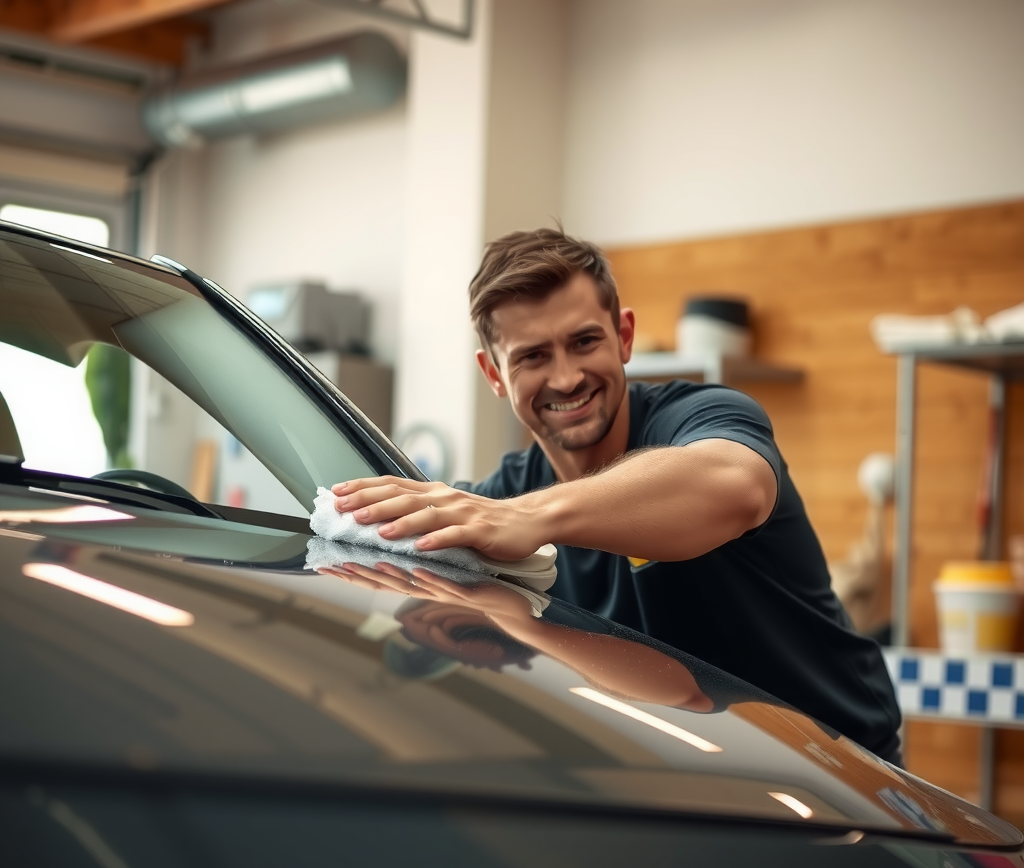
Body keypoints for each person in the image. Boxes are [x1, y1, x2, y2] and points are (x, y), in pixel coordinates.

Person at [331, 228, 901, 761]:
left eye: (584, 342)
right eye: (532, 356)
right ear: (494, 374)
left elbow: (736, 484)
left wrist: (529, 517)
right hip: (695, 776)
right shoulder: (498, 499)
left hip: (843, 773)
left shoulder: (703, 417)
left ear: (624, 336)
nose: (566, 377)